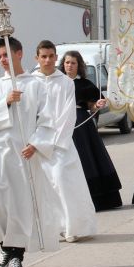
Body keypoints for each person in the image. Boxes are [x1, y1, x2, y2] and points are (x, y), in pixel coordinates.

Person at [0, 37, 60, 267]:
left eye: (6, 55)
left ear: (19, 54)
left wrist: (35, 144)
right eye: (0, 56)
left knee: (19, 206)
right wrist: (6, 102)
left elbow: (47, 120)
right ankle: (4, 247)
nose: (3, 60)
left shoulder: (35, 85)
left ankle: (16, 256)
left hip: (23, 154)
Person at [33, 41, 96, 242]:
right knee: (44, 187)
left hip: (60, 144)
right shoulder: (31, 82)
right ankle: (52, 227)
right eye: (43, 56)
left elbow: (68, 116)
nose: (48, 60)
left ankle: (73, 226)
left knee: (63, 181)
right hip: (36, 143)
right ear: (37, 58)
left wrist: (52, 143)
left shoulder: (66, 83)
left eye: (51, 56)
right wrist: (34, 142)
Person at [60, 51, 123, 210]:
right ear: (63, 64)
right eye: (67, 62)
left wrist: (97, 105)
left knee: (86, 158)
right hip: (60, 123)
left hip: (80, 124)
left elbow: (92, 106)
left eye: (73, 63)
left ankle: (95, 199)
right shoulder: (56, 83)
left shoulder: (85, 84)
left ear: (78, 65)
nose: (70, 65)